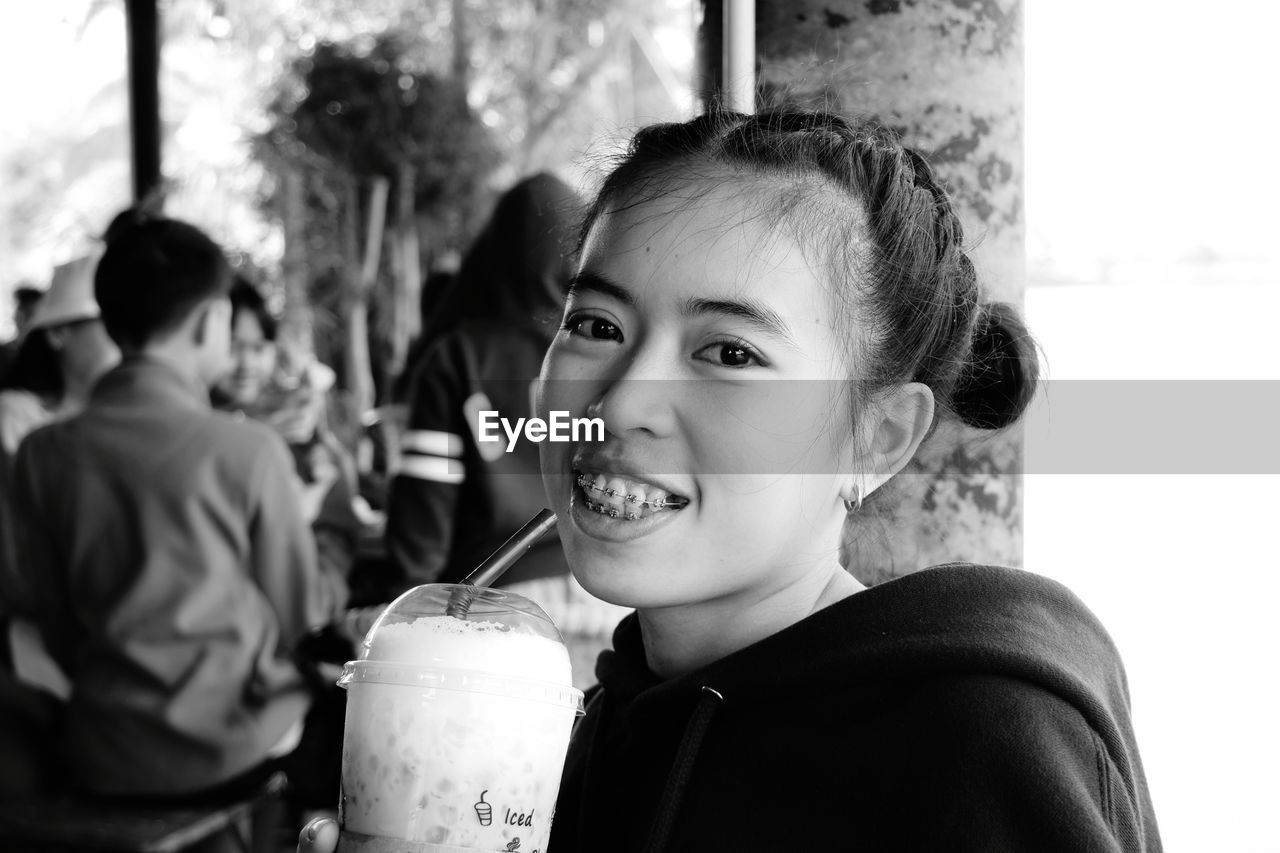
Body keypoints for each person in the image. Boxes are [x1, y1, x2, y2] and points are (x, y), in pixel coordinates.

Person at [300, 109, 1162, 851]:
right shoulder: (581, 734)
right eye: (596, 323)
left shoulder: (972, 746)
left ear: (876, 435)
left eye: (729, 352)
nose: (622, 401)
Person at [4, 208, 346, 801]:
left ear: (110, 323)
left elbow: (56, 629)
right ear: (212, 320)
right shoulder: (249, 450)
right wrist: (335, 557)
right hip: (231, 750)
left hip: (100, 752)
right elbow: (302, 617)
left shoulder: (41, 454)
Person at [381, 172, 628, 655]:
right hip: (617, 606)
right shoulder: (612, 355)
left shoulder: (459, 358)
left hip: (495, 612)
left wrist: (398, 614)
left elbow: (422, 534)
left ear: (490, 255)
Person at [213, 276, 361, 589]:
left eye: (258, 347)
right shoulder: (205, 430)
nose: (247, 363)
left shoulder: (292, 423)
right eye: (233, 347)